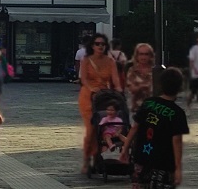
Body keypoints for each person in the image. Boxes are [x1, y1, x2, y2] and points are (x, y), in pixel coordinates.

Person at [120, 67, 189, 188]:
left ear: (161, 85)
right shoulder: (177, 113)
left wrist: (125, 148)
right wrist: (178, 168)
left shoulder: (148, 103)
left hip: (141, 159)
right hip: (164, 163)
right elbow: (177, 141)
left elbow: (135, 127)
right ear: (179, 88)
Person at [79, 33, 122, 174]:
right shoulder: (86, 60)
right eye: (97, 44)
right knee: (92, 129)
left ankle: (100, 157)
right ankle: (87, 159)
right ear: (92, 45)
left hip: (104, 97)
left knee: (105, 125)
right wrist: (92, 89)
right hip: (88, 96)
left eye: (103, 44)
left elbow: (116, 80)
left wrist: (119, 91)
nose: (100, 46)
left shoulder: (110, 62)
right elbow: (83, 79)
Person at [125, 43, 156, 116]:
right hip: (137, 108)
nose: (143, 57)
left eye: (146, 54)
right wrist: (143, 86)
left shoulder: (155, 70)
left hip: (154, 108)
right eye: (141, 54)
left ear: (150, 56)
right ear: (137, 55)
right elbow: (131, 89)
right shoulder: (132, 70)